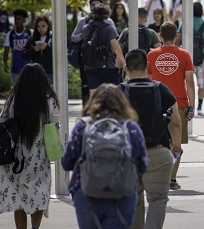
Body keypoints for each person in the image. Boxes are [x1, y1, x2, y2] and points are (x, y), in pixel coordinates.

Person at [0, 63, 60, 229]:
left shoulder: (13, 99)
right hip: (39, 156)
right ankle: (35, 228)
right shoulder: (49, 101)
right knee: (38, 193)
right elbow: (55, 126)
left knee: (18, 197)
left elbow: (0, 123)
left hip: (16, 156)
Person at [62, 84, 147, 229]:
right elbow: (142, 164)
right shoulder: (130, 127)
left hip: (86, 193)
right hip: (122, 193)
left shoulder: (82, 126)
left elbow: (67, 162)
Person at [120, 49, 183, 229]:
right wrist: (176, 146)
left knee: (133, 199)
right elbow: (176, 122)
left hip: (129, 153)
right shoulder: (161, 89)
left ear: (126, 67)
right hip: (159, 152)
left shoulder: (119, 91)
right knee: (157, 199)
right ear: (148, 67)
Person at [147, 21, 195, 191]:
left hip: (157, 105)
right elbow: (189, 81)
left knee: (160, 144)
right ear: (176, 36)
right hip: (180, 104)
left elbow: (149, 80)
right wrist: (192, 105)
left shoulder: (152, 55)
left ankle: (160, 177)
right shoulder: (184, 54)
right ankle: (172, 179)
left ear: (160, 36)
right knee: (176, 144)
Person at [71, 0, 116, 104]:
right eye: (93, 5)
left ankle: (97, 110)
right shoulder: (84, 22)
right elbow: (73, 37)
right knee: (88, 86)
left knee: (100, 88)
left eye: (97, 5)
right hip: (89, 59)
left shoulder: (109, 22)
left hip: (103, 60)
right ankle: (90, 109)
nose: (95, 7)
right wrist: (82, 36)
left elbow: (113, 40)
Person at [177, 2, 204, 116]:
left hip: (185, 59)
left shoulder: (184, 24)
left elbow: (177, 40)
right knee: (201, 84)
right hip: (201, 59)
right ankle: (199, 107)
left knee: (185, 83)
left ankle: (187, 104)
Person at [82, 3, 126, 96]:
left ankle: (95, 109)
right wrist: (123, 62)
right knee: (113, 92)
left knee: (94, 93)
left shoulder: (86, 28)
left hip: (90, 65)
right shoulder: (109, 28)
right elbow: (115, 46)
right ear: (106, 14)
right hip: (107, 64)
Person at [3, 9, 32, 84]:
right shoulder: (10, 34)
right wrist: (5, 63)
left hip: (28, 69)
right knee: (16, 92)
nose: (17, 21)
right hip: (15, 69)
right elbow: (6, 50)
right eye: (15, 19)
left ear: (24, 21)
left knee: (27, 91)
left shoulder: (30, 33)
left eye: (19, 19)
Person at [21, 15, 53, 84]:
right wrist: (34, 49)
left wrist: (46, 48)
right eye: (38, 26)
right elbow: (24, 55)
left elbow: (57, 55)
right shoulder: (33, 38)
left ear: (48, 26)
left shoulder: (52, 37)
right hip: (36, 72)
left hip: (50, 72)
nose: (41, 29)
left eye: (43, 26)